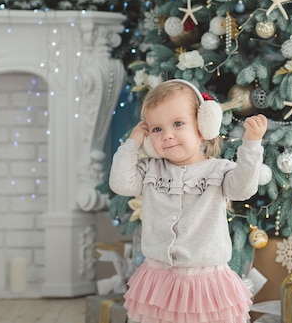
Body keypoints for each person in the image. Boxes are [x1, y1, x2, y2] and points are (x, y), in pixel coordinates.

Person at [109, 79, 267, 323]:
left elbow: (243, 189)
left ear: (203, 125)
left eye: (178, 124)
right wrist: (132, 144)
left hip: (205, 281)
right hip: (158, 278)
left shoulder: (219, 170)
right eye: (156, 129)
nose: (167, 135)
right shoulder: (149, 169)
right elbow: (120, 183)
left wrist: (252, 145)